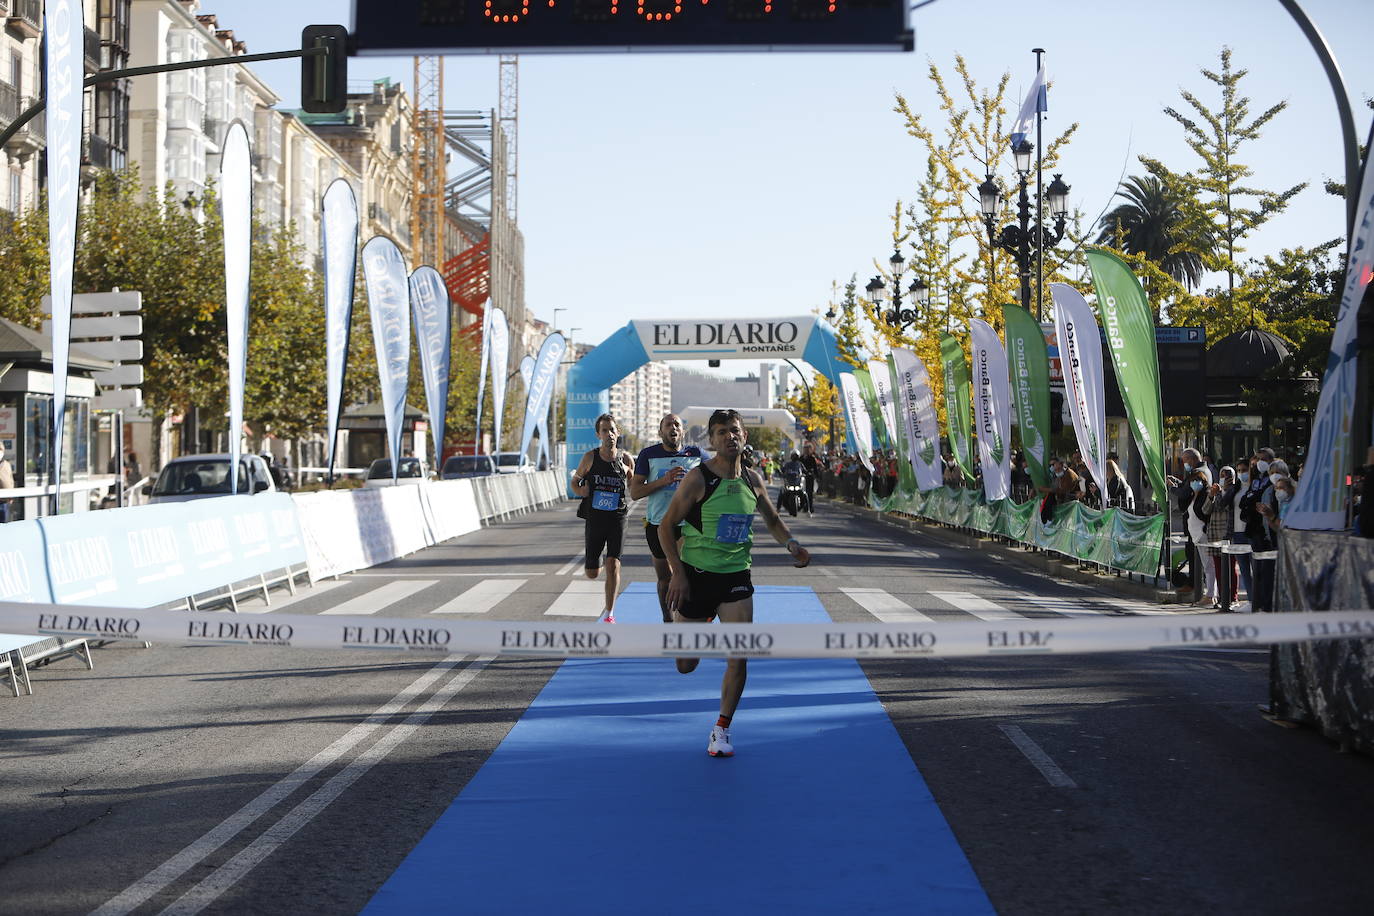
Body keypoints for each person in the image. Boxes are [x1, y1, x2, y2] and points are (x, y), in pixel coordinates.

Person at [659, 408, 811, 758]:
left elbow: (772, 520)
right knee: (686, 665)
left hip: (736, 577)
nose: (730, 436)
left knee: (739, 656)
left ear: (744, 437)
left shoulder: (753, 480)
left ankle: (721, 729)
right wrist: (677, 575)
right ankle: (700, 619)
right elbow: (667, 527)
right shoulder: (699, 479)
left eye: (735, 431)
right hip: (696, 576)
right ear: (711, 440)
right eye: (722, 432)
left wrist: (792, 544)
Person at [629, 414, 705, 623]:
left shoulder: (697, 454)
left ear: (683, 431)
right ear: (661, 431)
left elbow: (717, 475)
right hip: (658, 525)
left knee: (687, 576)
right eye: (668, 425)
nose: (673, 428)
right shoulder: (648, 455)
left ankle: (686, 618)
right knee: (665, 578)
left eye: (677, 424)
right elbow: (635, 492)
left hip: (689, 525)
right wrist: (664, 480)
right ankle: (667, 619)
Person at [570, 413, 634, 623]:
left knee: (614, 563)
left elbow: (633, 487)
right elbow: (575, 482)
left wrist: (631, 477)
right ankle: (595, 564)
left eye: (612, 430)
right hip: (595, 518)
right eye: (604, 430)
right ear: (598, 434)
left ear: (618, 433)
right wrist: (582, 491)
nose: (609, 434)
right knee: (592, 573)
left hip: (618, 518)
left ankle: (610, 614)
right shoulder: (590, 457)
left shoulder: (626, 459)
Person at [1202, 466, 1238, 609]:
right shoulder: (1215, 491)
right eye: (1222, 475)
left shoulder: (1234, 491)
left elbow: (1226, 507)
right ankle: (1222, 597)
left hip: (1227, 534)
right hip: (1214, 535)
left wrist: (1225, 492)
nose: (1224, 478)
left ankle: (1233, 597)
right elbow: (1205, 510)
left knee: (1230, 568)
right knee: (1218, 569)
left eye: (1227, 475)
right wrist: (1211, 495)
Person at [799, 441, 821, 516]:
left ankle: (810, 507)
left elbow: (815, 468)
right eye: (805, 449)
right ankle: (804, 506)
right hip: (802, 477)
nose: (806, 450)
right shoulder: (801, 458)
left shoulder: (812, 458)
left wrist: (816, 476)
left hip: (809, 477)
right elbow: (798, 466)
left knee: (809, 493)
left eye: (808, 449)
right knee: (802, 492)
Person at [0, 444, 13, 523]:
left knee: (4, 523)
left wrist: (11, 496)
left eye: (0, 450)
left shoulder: (7, 465)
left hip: (5, 501)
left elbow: (10, 481)